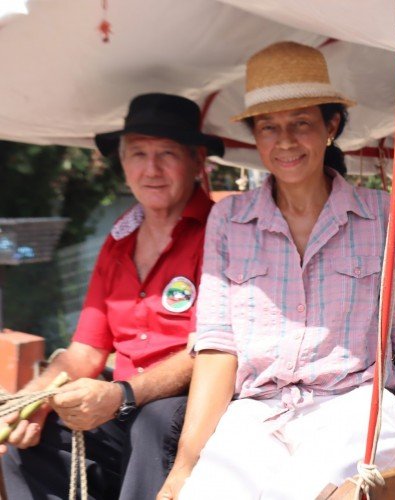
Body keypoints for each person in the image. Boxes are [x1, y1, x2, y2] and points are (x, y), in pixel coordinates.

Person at [159, 42, 395, 500]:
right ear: (255, 136)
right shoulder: (229, 221)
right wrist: (185, 467)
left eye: (301, 124)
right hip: (256, 414)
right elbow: (217, 350)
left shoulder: (380, 216)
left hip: (353, 409)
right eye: (269, 127)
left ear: (331, 127)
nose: (285, 141)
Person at [0, 93, 224, 499]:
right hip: (121, 404)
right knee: (28, 441)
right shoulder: (118, 239)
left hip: (192, 408)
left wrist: (121, 396)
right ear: (122, 164)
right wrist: (36, 396)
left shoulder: (222, 232)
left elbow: (210, 351)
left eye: (167, 154)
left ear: (197, 161)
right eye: (138, 154)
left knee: (153, 422)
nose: (151, 169)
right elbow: (85, 351)